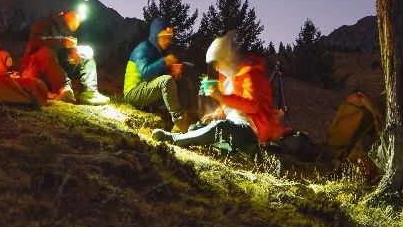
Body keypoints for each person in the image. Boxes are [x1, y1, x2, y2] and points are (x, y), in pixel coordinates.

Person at [152, 31, 286, 152]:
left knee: (220, 127)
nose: (215, 68)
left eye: (216, 63)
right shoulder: (226, 78)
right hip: (232, 125)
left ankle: (174, 139)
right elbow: (229, 108)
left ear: (226, 59)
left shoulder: (249, 74)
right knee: (196, 128)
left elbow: (252, 105)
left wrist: (222, 97)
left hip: (250, 131)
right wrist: (216, 113)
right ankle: (220, 145)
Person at [19, 1, 109, 105]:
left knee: (85, 54)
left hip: (53, 74)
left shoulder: (68, 34)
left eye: (80, 18)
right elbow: (35, 41)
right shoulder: (45, 24)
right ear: (65, 13)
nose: (79, 19)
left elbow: (61, 58)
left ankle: (88, 92)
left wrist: (73, 52)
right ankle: (64, 88)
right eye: (76, 14)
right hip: (33, 69)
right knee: (45, 51)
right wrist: (62, 42)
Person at [122, 17, 191, 132]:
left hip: (145, 91)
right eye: (164, 37)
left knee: (175, 81)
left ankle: (178, 121)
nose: (168, 40)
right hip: (133, 92)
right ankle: (180, 123)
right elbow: (145, 73)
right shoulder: (143, 49)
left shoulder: (156, 51)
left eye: (170, 38)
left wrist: (171, 70)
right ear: (156, 34)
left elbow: (156, 74)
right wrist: (164, 62)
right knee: (166, 81)